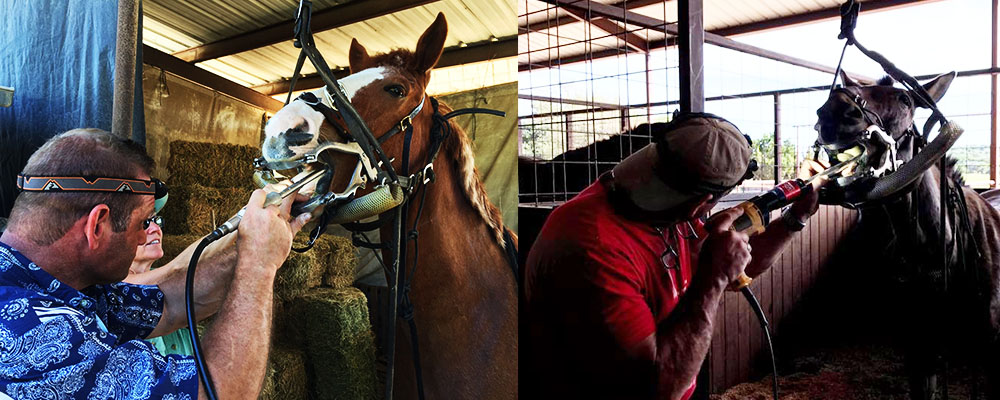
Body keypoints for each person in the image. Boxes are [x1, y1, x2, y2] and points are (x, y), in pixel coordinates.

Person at [522, 114, 824, 400]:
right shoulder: (593, 249)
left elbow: (740, 259)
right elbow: (657, 389)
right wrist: (713, 279)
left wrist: (794, 219)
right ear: (703, 203)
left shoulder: (665, 207)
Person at [0, 128, 310, 399]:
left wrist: (261, 231)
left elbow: (173, 304)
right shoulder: (31, 326)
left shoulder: (55, 283)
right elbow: (218, 393)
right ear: (97, 226)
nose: (144, 235)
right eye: (143, 221)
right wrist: (258, 264)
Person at [123, 215, 194, 357]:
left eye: (157, 220)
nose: (156, 228)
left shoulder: (169, 279)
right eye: (145, 223)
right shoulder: (107, 294)